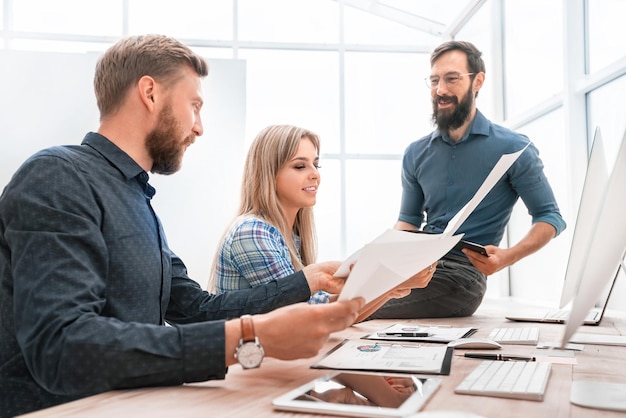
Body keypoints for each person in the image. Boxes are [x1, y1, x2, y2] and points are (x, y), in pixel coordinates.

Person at [0, 34, 367, 417]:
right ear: (150, 93)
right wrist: (248, 338)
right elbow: (63, 348)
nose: (199, 128)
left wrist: (306, 282)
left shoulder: (137, 200)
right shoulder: (57, 177)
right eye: (194, 106)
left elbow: (195, 309)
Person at [368, 40, 566, 320]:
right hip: (416, 266)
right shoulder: (415, 153)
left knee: (356, 309)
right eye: (434, 80)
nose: (440, 90)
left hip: (461, 277)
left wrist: (508, 257)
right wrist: (376, 264)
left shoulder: (513, 148)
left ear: (478, 81)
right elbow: (408, 222)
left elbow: (551, 217)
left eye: (451, 79)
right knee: (347, 297)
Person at [207, 124, 436, 320]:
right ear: (268, 174)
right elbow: (308, 318)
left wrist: (389, 287)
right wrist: (390, 282)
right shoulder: (253, 233)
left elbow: (328, 310)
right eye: (300, 166)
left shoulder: (287, 236)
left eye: (316, 164)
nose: (315, 174)